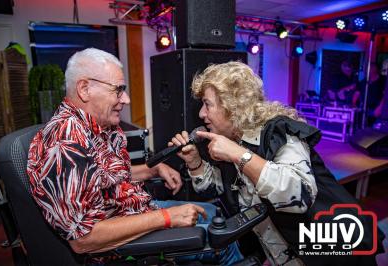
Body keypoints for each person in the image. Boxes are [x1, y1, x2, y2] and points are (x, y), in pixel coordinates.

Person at [26, 48, 243, 264]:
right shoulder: (65, 142)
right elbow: (84, 238)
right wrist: (166, 218)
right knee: (222, 239)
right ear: (84, 89)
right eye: (118, 90)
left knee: (215, 211)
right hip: (118, 242)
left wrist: (152, 169)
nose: (126, 99)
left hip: (136, 209)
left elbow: (102, 176)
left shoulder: (97, 126)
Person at [169, 61, 384, 266]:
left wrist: (240, 156)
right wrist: (195, 162)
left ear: (233, 106)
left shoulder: (281, 133)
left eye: (207, 104)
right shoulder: (232, 140)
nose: (201, 113)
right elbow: (218, 188)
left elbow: (300, 196)